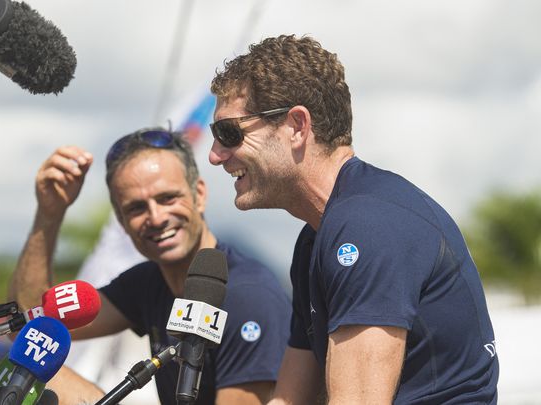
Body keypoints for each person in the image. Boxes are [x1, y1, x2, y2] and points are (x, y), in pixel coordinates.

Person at [207, 35, 499, 404]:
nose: (216, 155)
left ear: (297, 126)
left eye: (228, 133)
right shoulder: (316, 238)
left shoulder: (367, 225)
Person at [10, 128, 291, 405]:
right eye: (136, 208)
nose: (156, 218)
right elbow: (29, 329)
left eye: (167, 198)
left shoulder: (250, 296)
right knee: (28, 365)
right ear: (121, 222)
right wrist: (49, 215)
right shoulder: (148, 282)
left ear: (200, 195)